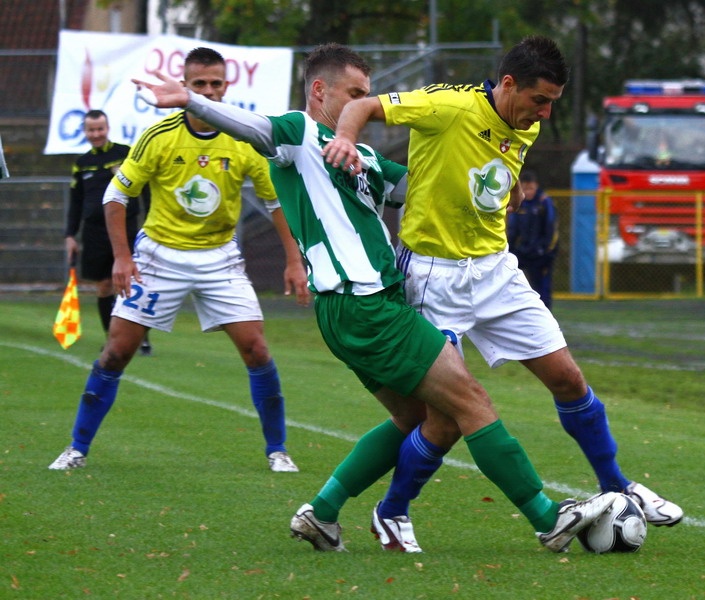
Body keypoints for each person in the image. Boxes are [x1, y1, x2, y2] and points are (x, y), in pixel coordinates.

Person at [131, 42, 614, 553]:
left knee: (423, 418)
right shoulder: (300, 134)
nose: (364, 101)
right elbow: (255, 127)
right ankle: (547, 517)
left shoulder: (361, 156)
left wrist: (504, 182)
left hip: (363, 306)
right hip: (363, 302)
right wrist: (192, 101)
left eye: (367, 92)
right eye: (355, 93)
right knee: (471, 402)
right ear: (320, 90)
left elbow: (421, 185)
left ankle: (322, 513)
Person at [323, 35, 684, 552]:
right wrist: (345, 141)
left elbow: (496, 164)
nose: (544, 113)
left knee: (568, 378)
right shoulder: (447, 104)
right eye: (540, 99)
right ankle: (393, 510)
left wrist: (509, 185)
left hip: (496, 272)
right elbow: (360, 105)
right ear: (508, 84)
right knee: (444, 419)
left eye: (553, 102)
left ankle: (616, 486)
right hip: (433, 276)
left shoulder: (524, 122)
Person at [48, 47, 307, 473]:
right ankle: (76, 448)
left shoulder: (245, 136)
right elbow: (117, 195)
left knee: (257, 350)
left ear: (227, 86)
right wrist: (122, 258)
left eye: (215, 83)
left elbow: (275, 201)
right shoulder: (159, 135)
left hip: (220, 259)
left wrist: (294, 261)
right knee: (116, 353)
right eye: (199, 83)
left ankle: (277, 450)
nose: (208, 90)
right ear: (184, 86)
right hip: (158, 258)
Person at [66, 110, 152, 355]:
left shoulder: (124, 154)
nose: (96, 134)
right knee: (104, 286)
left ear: (108, 128)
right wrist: (70, 234)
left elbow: (144, 188)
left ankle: (142, 339)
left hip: (126, 227)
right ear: (85, 132)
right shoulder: (82, 164)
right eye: (91, 130)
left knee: (133, 284)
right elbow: (75, 200)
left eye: (100, 129)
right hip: (94, 233)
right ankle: (112, 339)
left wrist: (149, 219)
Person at [507, 169, 558, 308]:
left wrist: (545, 250)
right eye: (525, 188)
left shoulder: (544, 202)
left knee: (542, 287)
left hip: (542, 253)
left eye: (531, 188)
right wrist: (509, 249)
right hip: (524, 251)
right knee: (509, 278)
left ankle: (545, 314)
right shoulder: (519, 202)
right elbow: (513, 229)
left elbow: (551, 229)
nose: (528, 192)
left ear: (536, 186)